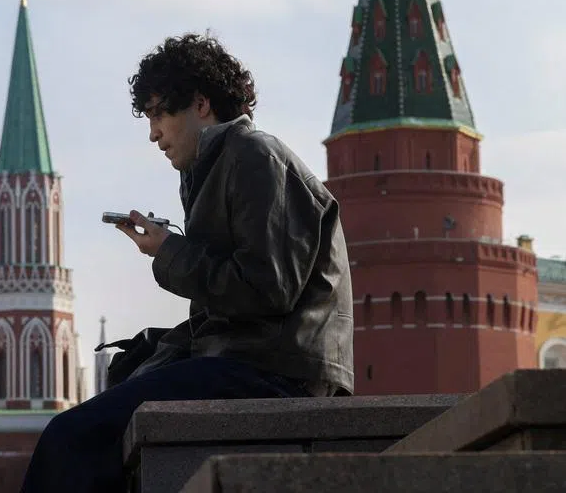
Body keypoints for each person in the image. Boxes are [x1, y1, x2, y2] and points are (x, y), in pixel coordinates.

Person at [19, 32, 354, 493]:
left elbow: (267, 289)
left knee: (70, 438)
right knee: (111, 406)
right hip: (254, 362)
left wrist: (168, 252)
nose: (153, 133)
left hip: (279, 372)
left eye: (159, 114)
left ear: (200, 104)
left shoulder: (255, 156)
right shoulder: (215, 166)